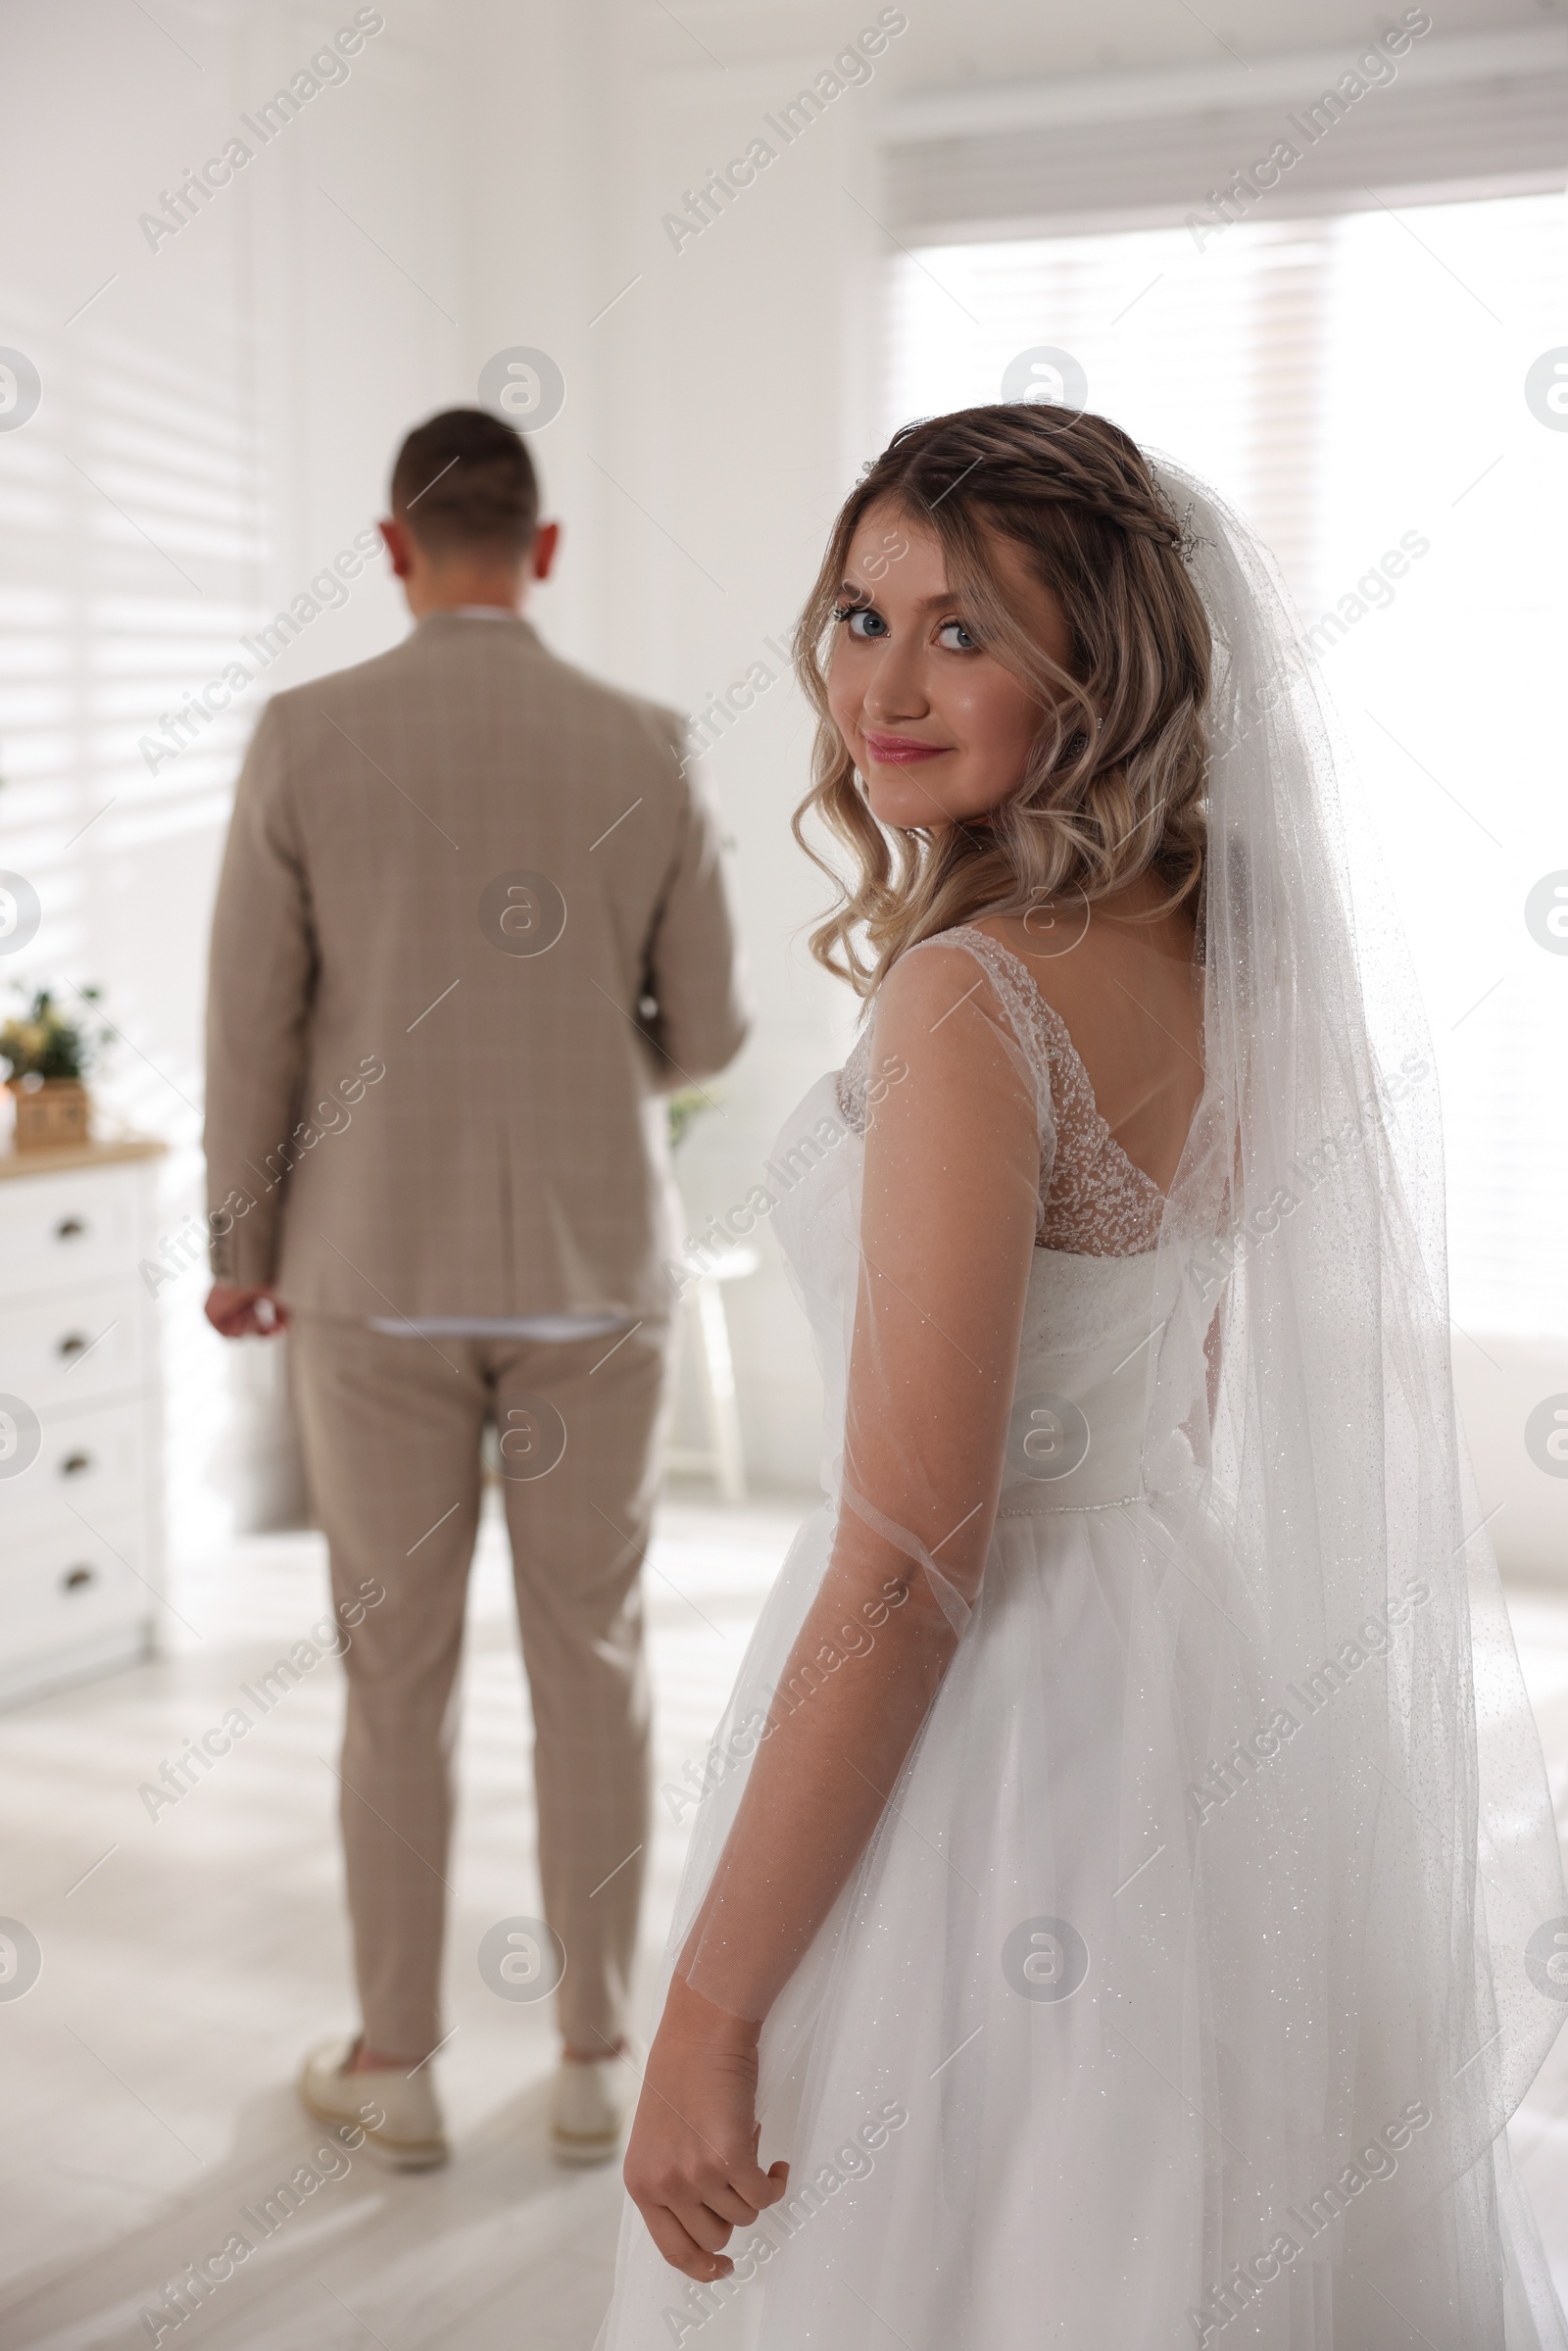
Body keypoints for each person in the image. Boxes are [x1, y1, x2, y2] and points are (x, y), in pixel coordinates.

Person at [596, 406, 1568, 2348]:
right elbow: (1196, 1360)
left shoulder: (972, 996)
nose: (881, 684)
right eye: (858, 617)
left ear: (1098, 665)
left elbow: (907, 1559)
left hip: (978, 1721)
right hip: (1171, 1656)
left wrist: (705, 2014)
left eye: (965, 633)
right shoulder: (1223, 949)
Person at [202, 407, 749, 2171]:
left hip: (370, 1274)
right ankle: (596, 2059)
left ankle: (402, 2065)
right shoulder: (647, 743)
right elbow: (715, 1026)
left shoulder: (306, 733)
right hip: (596, 1272)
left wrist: (240, 1248)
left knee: (396, 1683)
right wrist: (597, 1057)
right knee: (595, 1656)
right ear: (547, 546)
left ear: (390, 546)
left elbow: (251, 1027)